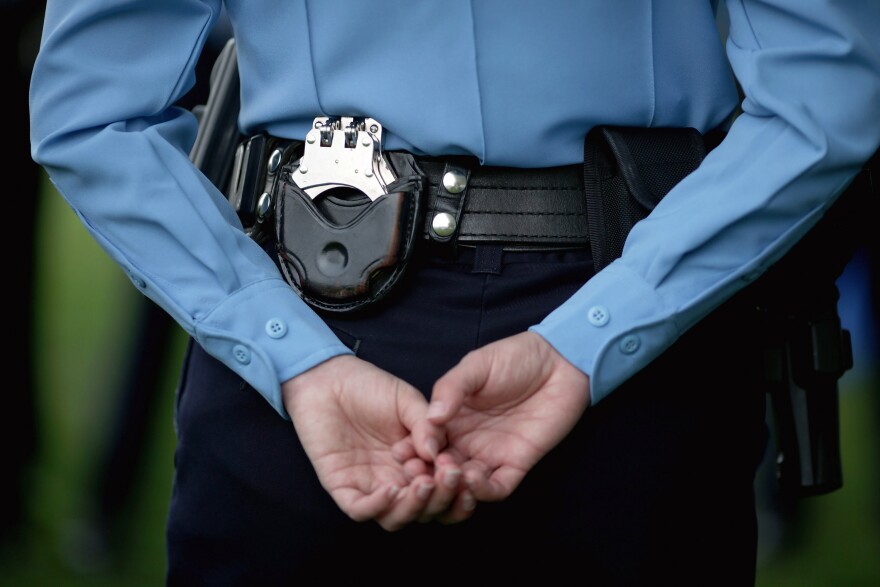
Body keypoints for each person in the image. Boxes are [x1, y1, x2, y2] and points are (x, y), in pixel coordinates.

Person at [29, 1, 880, 585]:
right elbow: (823, 91)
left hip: (329, 317)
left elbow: (91, 107)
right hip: (621, 324)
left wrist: (278, 346)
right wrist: (612, 323)